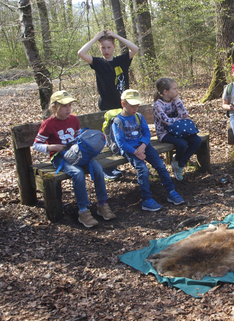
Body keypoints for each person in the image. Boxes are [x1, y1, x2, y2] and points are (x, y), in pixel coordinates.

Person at [33, 91, 116, 228]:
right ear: (54, 107)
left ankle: (102, 204)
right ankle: (83, 211)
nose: (69, 109)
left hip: (77, 153)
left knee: (98, 168)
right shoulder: (48, 124)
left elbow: (78, 137)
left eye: (70, 105)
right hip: (59, 157)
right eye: (65, 106)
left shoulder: (73, 119)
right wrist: (53, 147)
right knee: (77, 173)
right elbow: (36, 145)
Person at [78, 29, 139, 181]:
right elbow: (81, 53)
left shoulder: (121, 60)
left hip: (123, 106)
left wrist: (116, 36)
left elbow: (135, 49)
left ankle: (131, 160)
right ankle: (109, 168)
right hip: (106, 107)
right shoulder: (98, 63)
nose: (106, 50)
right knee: (110, 137)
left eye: (109, 47)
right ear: (100, 49)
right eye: (103, 48)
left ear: (113, 47)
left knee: (125, 135)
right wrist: (95, 38)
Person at [112, 89, 184, 211]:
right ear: (123, 104)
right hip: (130, 150)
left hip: (143, 146)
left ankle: (171, 191)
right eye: (132, 106)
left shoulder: (139, 117)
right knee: (143, 170)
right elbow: (121, 142)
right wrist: (135, 152)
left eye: (137, 105)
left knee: (160, 165)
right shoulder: (118, 121)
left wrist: (143, 146)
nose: (135, 108)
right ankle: (147, 199)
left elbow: (146, 133)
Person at [153, 77, 201, 181]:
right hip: (164, 133)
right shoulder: (158, 105)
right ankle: (178, 162)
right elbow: (166, 121)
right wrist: (178, 119)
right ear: (165, 92)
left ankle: (180, 163)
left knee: (197, 140)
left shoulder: (174, 101)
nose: (177, 91)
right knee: (182, 143)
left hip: (178, 130)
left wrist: (178, 101)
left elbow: (184, 115)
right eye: (174, 89)